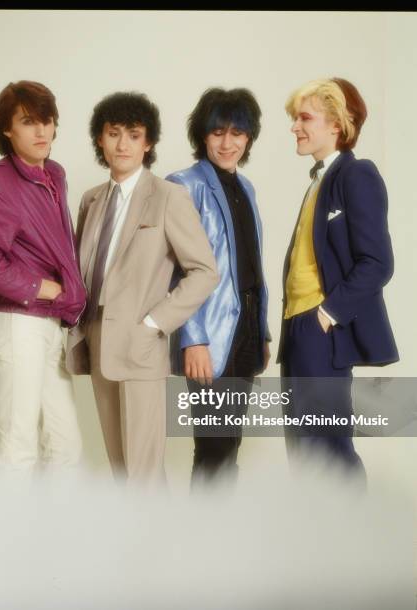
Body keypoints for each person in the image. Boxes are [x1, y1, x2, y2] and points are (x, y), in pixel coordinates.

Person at [66, 91, 218, 488]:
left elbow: (203, 270)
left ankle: (158, 547)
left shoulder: (169, 197)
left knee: (144, 470)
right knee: (119, 467)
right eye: (113, 134)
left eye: (133, 135)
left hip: (141, 342)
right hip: (98, 339)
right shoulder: (91, 200)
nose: (122, 144)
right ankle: (129, 545)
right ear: (100, 140)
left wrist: (154, 323)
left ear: (147, 142)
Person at [279, 77, 398, 478]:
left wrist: (327, 314)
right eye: (296, 118)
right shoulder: (317, 181)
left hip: (321, 328)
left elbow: (377, 261)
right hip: (296, 329)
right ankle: (314, 539)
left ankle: (354, 539)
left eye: (305, 118)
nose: (295, 126)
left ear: (337, 124)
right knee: (301, 449)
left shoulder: (356, 174)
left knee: (328, 448)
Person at [0, 80, 86, 474]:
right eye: (28, 121)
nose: (41, 131)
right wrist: (41, 286)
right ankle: (6, 534)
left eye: (47, 121)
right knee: (19, 446)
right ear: (7, 129)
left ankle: (53, 534)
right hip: (21, 322)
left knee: (66, 447)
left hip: (53, 322)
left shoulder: (55, 174)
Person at [166, 87, 271, 486]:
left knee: (231, 441)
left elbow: (251, 266)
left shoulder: (247, 188)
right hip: (209, 333)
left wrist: (261, 331)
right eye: (218, 133)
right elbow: (174, 271)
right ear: (202, 135)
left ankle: (224, 534)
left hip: (245, 330)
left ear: (248, 138)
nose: (228, 144)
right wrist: (192, 338)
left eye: (238, 134)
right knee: (212, 443)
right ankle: (202, 541)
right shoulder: (183, 185)